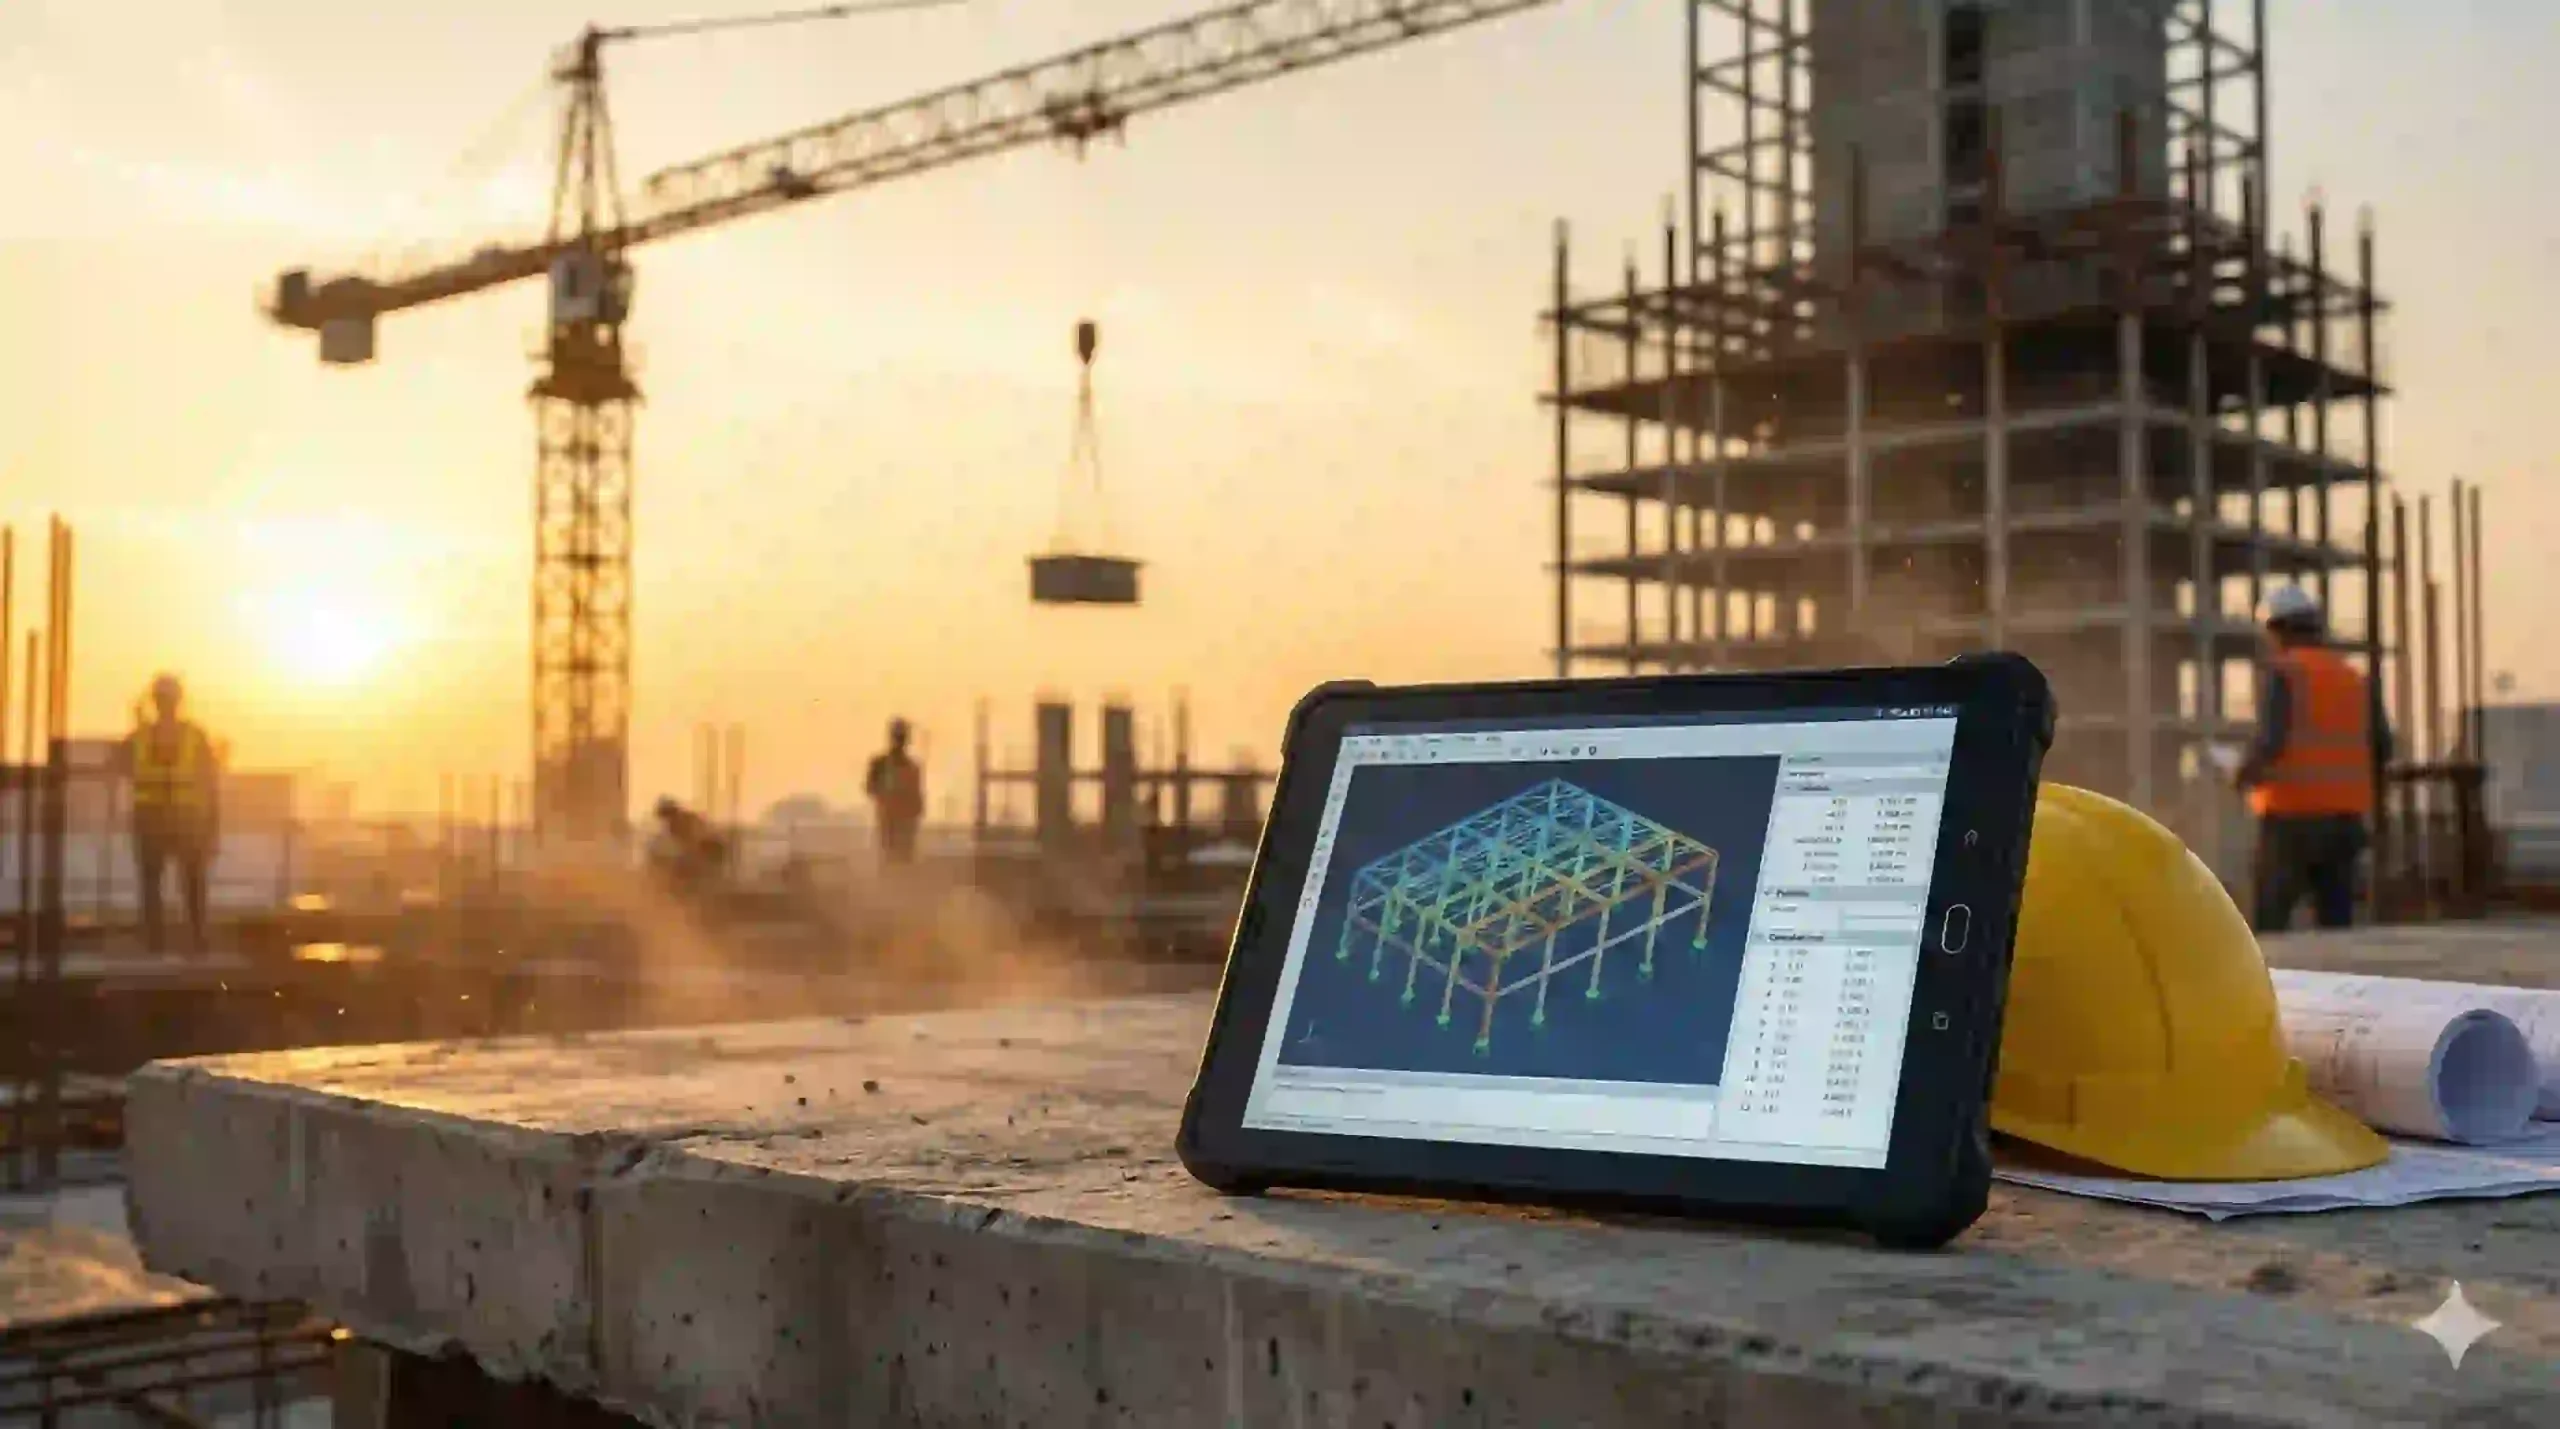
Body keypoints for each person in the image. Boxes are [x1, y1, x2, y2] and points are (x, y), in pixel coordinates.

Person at [2231, 585, 2391, 932]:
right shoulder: (2355, 679)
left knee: (2269, 928)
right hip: (2345, 822)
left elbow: (2271, 743)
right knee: (2337, 927)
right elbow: (2383, 748)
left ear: (2278, 629)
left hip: (2291, 820)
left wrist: (2242, 774)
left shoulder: (2285, 673)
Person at [121, 673, 221, 956]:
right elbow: (212, 785)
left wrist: (137, 723)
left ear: (155, 701)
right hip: (184, 821)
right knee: (190, 885)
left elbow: (115, 765)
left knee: (156, 885)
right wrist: (212, 827)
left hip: (155, 820)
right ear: (179, 701)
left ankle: (156, 944)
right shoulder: (194, 736)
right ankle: (196, 943)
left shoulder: (139, 737)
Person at [864, 718, 925, 867]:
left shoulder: (912, 766)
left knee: (903, 861)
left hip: (904, 824)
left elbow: (917, 798)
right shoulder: (880, 764)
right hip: (889, 822)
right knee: (890, 859)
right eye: (898, 737)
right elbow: (870, 788)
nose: (900, 741)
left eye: (902, 737)